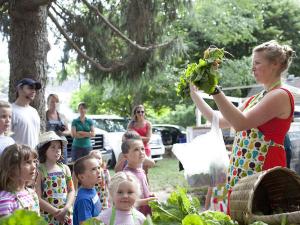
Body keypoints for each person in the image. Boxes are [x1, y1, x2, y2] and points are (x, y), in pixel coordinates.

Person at [190, 40, 295, 214]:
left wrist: (215, 90)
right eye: (252, 63)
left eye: (257, 63)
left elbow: (240, 123)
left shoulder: (280, 95)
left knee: (260, 216)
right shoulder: (255, 98)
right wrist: (195, 95)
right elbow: (218, 119)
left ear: (275, 64)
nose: (252, 68)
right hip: (243, 173)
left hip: (263, 171)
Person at [35, 131, 75, 225]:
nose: (57, 150)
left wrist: (66, 208)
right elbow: (38, 198)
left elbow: (71, 190)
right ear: (44, 150)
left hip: (65, 214)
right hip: (48, 217)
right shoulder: (39, 170)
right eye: (53, 147)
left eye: (59, 148)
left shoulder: (65, 168)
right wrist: (56, 212)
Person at [0, 144, 39, 217]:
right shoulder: (5, 200)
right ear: (12, 169)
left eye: (34, 161)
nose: (34, 166)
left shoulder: (32, 194)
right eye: (27, 162)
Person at [121, 135, 157, 216]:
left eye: (142, 149)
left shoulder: (141, 171)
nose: (141, 152)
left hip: (145, 215)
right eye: (136, 149)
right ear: (126, 156)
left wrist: (150, 194)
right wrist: (147, 201)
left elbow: (144, 190)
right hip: (135, 217)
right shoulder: (127, 176)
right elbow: (126, 202)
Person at [11, 78, 41, 148]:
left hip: (34, 156)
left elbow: (37, 136)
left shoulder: (34, 111)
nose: (33, 91)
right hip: (17, 157)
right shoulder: (10, 111)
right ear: (19, 88)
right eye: (30, 88)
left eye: (35, 89)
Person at [73, 155, 102, 225]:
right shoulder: (84, 200)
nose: (98, 171)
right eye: (93, 169)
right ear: (82, 177)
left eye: (98, 167)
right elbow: (85, 223)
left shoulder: (91, 188)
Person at [46, 94, 70, 164]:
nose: (54, 104)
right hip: (49, 146)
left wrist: (62, 133)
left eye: (56, 102)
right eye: (52, 102)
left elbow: (68, 131)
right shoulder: (44, 115)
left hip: (61, 146)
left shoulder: (62, 116)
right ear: (48, 103)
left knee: (63, 165)